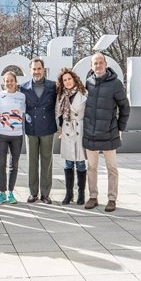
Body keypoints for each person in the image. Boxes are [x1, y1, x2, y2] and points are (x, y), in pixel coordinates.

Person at [83, 53, 130, 212]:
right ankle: (93, 197)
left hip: (109, 132)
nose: (98, 65)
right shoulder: (88, 83)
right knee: (92, 167)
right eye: (95, 63)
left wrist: (120, 127)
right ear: (91, 66)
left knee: (112, 168)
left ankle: (111, 199)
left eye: (100, 62)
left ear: (106, 64)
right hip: (90, 132)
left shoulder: (115, 84)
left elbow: (125, 107)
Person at [20, 58, 58, 204]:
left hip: (48, 127)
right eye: (34, 69)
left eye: (39, 69)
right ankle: (33, 193)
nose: (36, 72)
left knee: (47, 161)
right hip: (31, 128)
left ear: (43, 70)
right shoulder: (23, 87)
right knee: (32, 162)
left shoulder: (53, 86)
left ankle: (45, 194)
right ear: (30, 71)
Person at [0, 71, 25, 204]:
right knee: (1, 164)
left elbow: (26, 112)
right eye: (7, 81)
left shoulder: (22, 96)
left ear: (16, 82)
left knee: (14, 165)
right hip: (1, 135)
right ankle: (2, 193)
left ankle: (11, 193)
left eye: (12, 80)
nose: (9, 83)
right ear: (3, 83)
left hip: (17, 136)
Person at [55, 68, 88, 205]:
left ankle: (81, 194)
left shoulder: (84, 94)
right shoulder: (61, 96)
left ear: (74, 79)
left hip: (80, 130)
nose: (67, 82)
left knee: (80, 163)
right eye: (64, 80)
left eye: (69, 79)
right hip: (67, 131)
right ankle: (69, 194)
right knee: (68, 163)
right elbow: (58, 114)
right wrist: (60, 128)